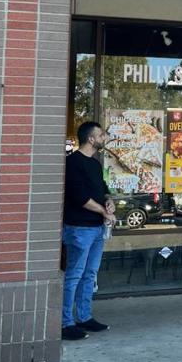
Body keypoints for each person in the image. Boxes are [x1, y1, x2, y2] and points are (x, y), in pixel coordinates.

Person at [61, 121, 116, 341]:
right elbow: (80, 197)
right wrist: (104, 211)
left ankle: (84, 317)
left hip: (95, 229)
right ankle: (66, 323)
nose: (104, 137)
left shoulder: (95, 164)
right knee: (74, 274)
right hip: (79, 228)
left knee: (89, 274)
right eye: (101, 135)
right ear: (91, 139)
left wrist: (109, 201)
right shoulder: (73, 163)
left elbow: (102, 189)